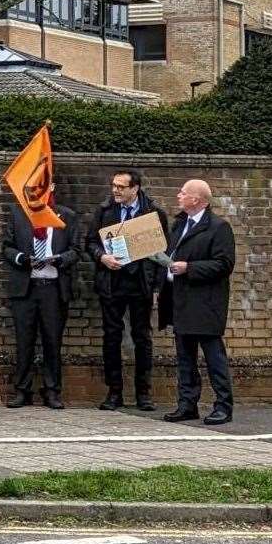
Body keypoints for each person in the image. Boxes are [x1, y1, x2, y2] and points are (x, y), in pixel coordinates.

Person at [84, 168, 168, 411]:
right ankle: (114, 392)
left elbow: (163, 250)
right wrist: (102, 258)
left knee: (142, 337)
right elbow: (90, 242)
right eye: (113, 186)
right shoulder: (104, 210)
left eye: (121, 187)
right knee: (111, 336)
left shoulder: (153, 212)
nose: (115, 190)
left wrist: (157, 287)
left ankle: (143, 393)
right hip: (112, 281)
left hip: (140, 281)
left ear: (135, 188)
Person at [160, 179, 237, 425]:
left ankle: (223, 406)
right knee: (185, 358)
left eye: (183, 193)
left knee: (214, 357)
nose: (178, 195)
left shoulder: (218, 227)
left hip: (205, 304)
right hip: (180, 301)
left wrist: (189, 267)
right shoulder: (179, 224)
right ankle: (187, 404)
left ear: (196, 199)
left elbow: (224, 264)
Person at [0, 185, 79, 409]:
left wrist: (59, 258)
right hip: (26, 287)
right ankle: (22, 390)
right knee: (24, 341)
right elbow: (6, 248)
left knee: (52, 341)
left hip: (53, 287)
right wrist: (23, 258)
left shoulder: (67, 216)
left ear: (52, 187)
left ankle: (52, 390)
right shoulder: (18, 214)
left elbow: (76, 250)